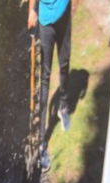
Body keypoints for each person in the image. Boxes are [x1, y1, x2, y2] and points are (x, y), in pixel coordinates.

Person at [29, 0, 78, 171]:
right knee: (45, 78)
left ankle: (63, 106)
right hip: (46, 21)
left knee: (64, 64)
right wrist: (31, 11)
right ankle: (42, 143)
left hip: (64, 13)